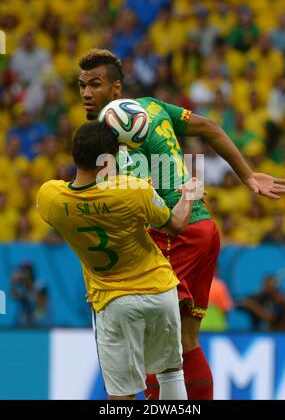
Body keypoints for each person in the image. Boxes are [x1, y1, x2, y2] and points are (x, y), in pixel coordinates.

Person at [77, 48, 285, 400]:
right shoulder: (153, 106)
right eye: (82, 85)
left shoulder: (105, 137)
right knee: (184, 340)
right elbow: (209, 127)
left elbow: (124, 209)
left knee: (149, 338)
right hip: (202, 227)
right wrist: (246, 174)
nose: (86, 93)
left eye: (95, 85)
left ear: (116, 89)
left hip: (176, 232)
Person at [37, 120, 204, 400]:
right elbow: (175, 225)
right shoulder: (134, 190)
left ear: (74, 155)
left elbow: (82, 194)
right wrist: (188, 195)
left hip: (113, 302)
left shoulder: (50, 197)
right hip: (159, 292)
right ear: (109, 160)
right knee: (171, 371)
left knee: (122, 394)